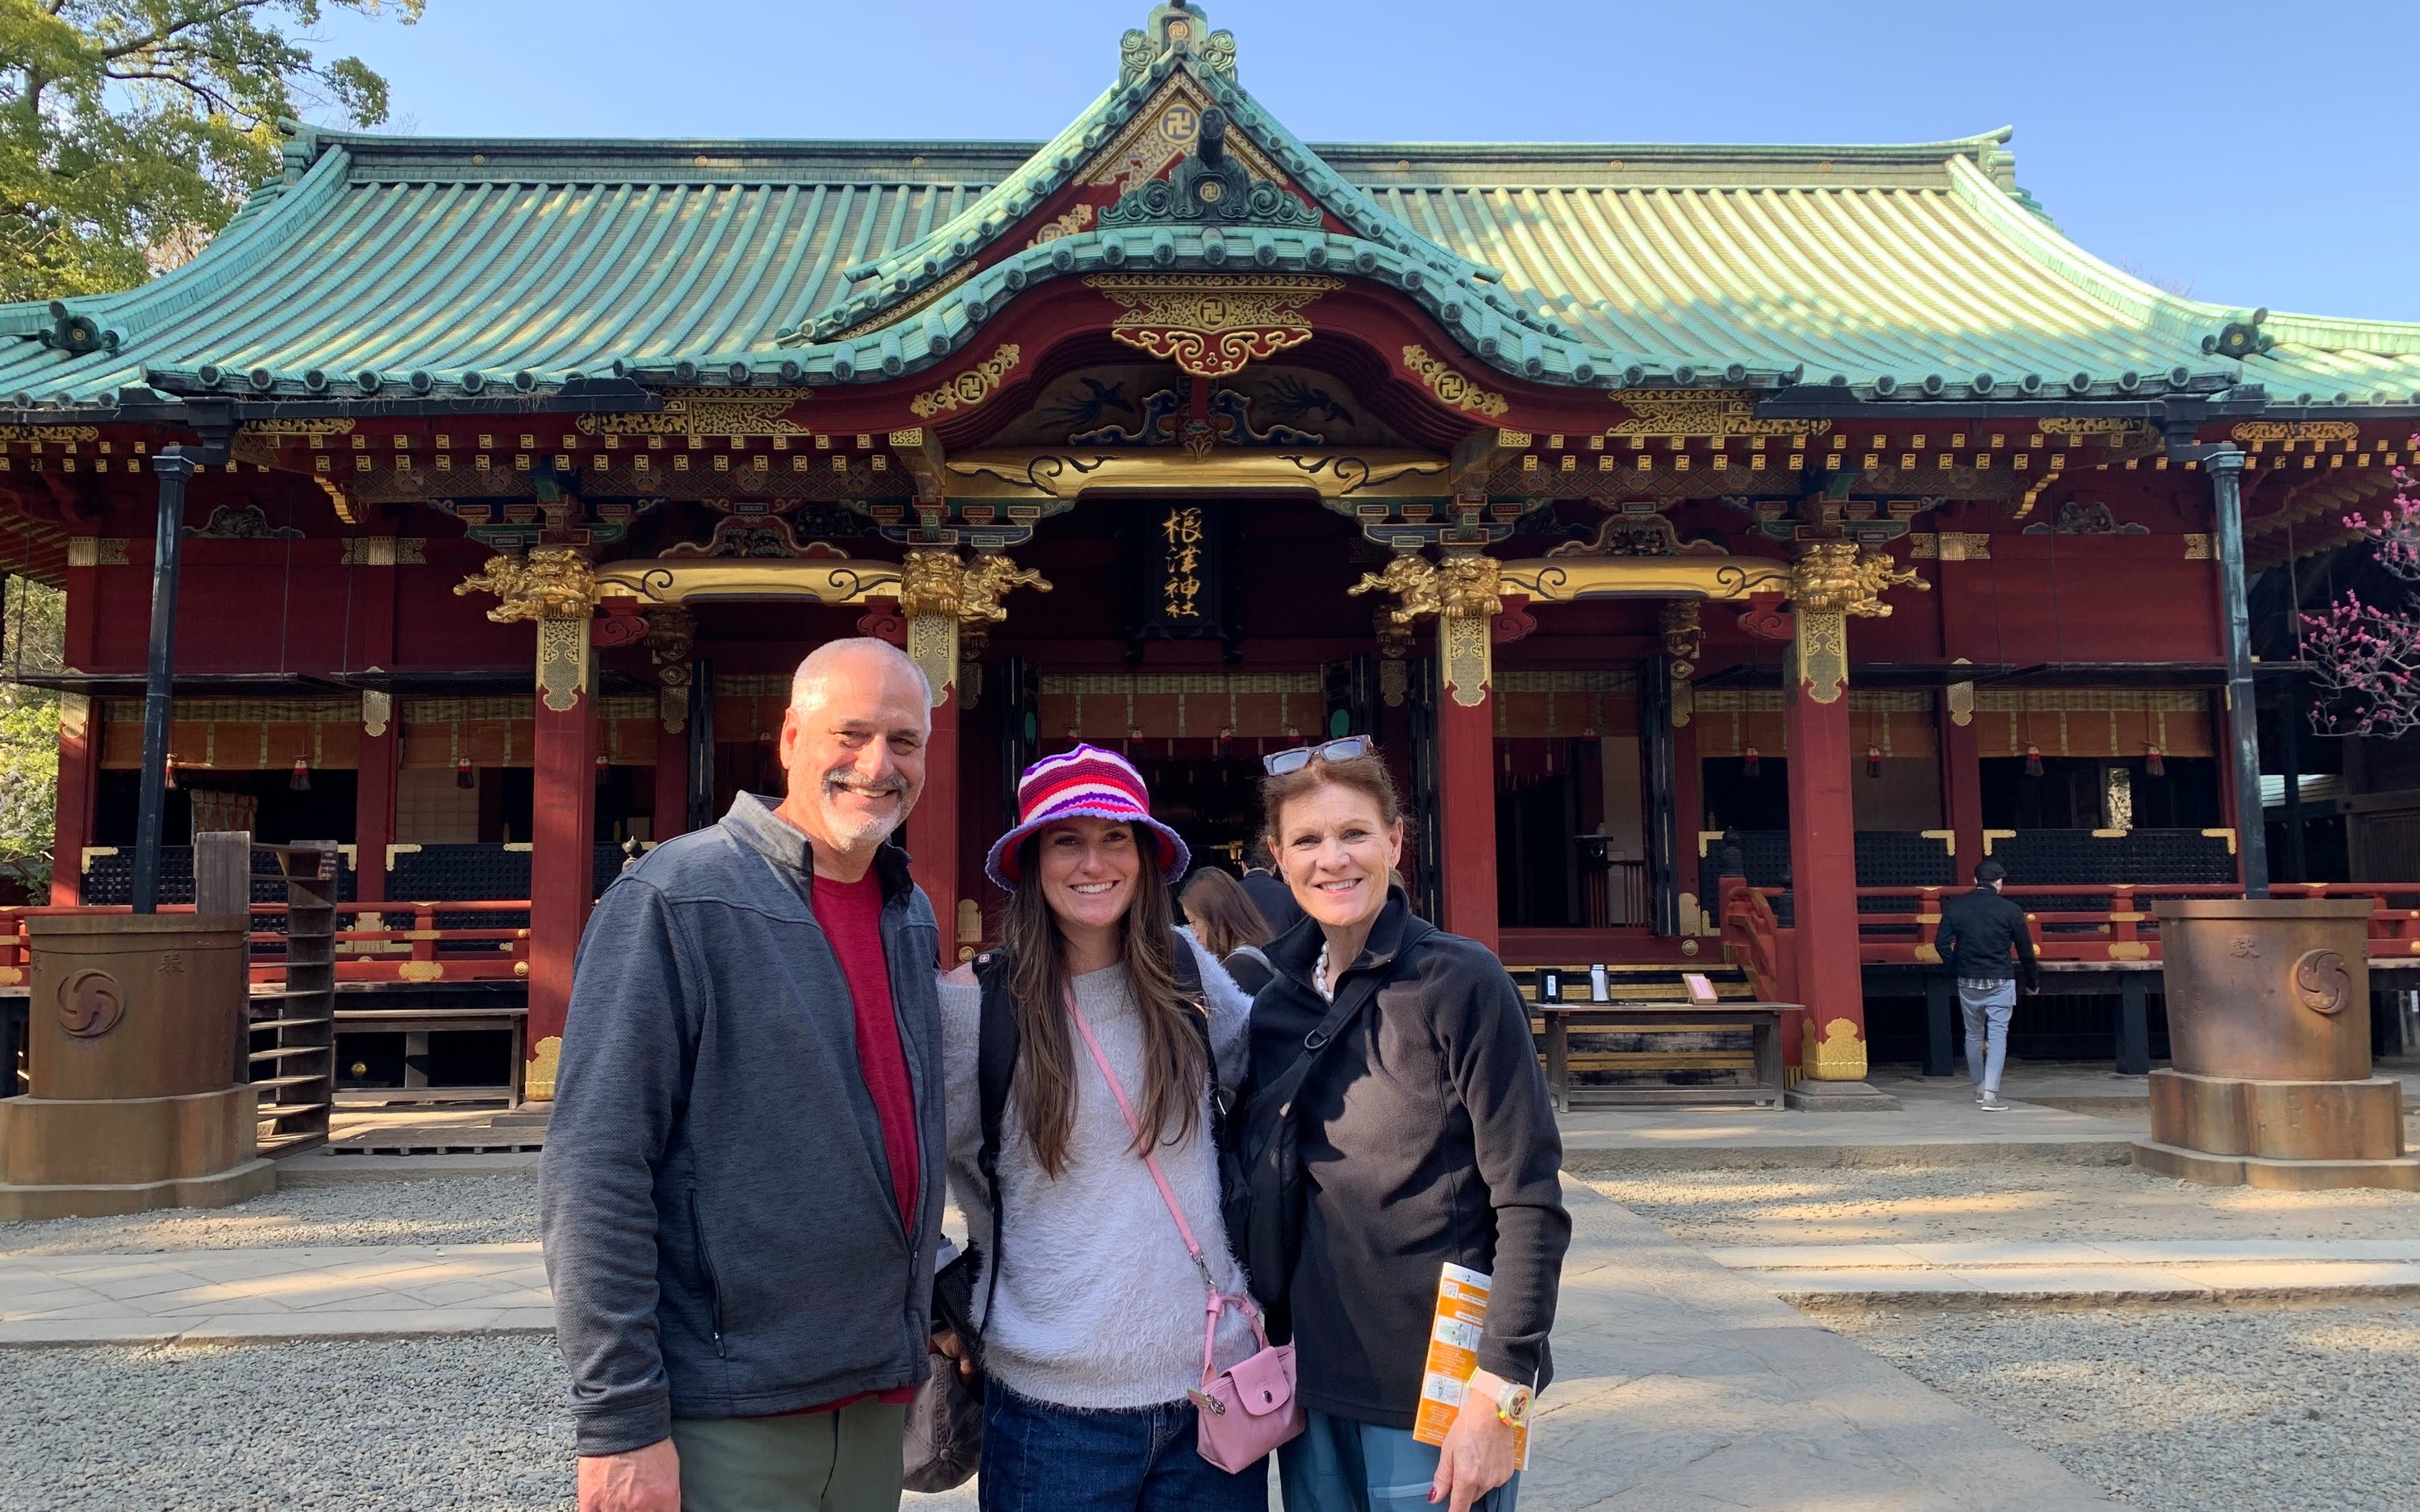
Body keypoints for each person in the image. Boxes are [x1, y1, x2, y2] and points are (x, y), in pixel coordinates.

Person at [540, 638, 945, 1512]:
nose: (878, 766)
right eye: (852, 734)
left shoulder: (906, 914)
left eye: (905, 742)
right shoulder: (679, 898)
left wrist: (934, 1302)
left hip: (874, 1398)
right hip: (730, 1407)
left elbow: (888, 1140)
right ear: (791, 737)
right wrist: (618, 1422)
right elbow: (596, 1168)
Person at [937, 744, 1270, 1512]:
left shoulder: (1188, 973)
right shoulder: (973, 1009)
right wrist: (938, 1294)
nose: (1094, 861)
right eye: (1066, 840)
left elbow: (1271, 1079)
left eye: (1115, 836)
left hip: (1211, 1395)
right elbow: (897, 1166)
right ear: (1030, 860)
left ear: (1147, 855)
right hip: (1051, 1411)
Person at [1244, 738, 1568, 1512]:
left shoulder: (1460, 981)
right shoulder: (1275, 1005)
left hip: (1441, 1387)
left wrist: (1503, 1390)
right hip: (1314, 1379)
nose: (1334, 859)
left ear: (1395, 840)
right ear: (1277, 858)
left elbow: (1530, 1200)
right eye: (1308, 840)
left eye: (1355, 833)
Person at [1933, 858, 2040, 1112]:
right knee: (1998, 1035)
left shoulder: (1956, 908)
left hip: (1967, 979)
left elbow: (1940, 943)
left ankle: (1979, 1087)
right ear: (1999, 882)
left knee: (1972, 1034)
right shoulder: (2011, 911)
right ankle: (1991, 1095)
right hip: (2000, 979)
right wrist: (2033, 980)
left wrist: (1956, 966)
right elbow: (2026, 950)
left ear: (1975, 880)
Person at [1182, 865, 1277, 993]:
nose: (1193, 933)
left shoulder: (1238, 967)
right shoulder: (1259, 948)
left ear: (1214, 918)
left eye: (1193, 922)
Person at [1240, 834, 1308, 939]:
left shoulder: (1229, 892)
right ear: (1274, 867)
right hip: (1284, 954)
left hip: (1241, 955)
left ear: (1243, 866)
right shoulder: (1292, 894)